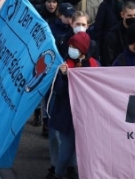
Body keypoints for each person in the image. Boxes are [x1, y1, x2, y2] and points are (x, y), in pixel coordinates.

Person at [47, 32, 99, 179]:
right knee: (67, 148)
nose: (71, 49)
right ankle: (58, 173)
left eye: (74, 46)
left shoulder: (94, 66)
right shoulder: (64, 65)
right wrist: (64, 76)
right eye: (70, 46)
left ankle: (72, 171)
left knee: (81, 149)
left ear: (83, 50)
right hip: (67, 114)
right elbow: (59, 90)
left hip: (87, 114)